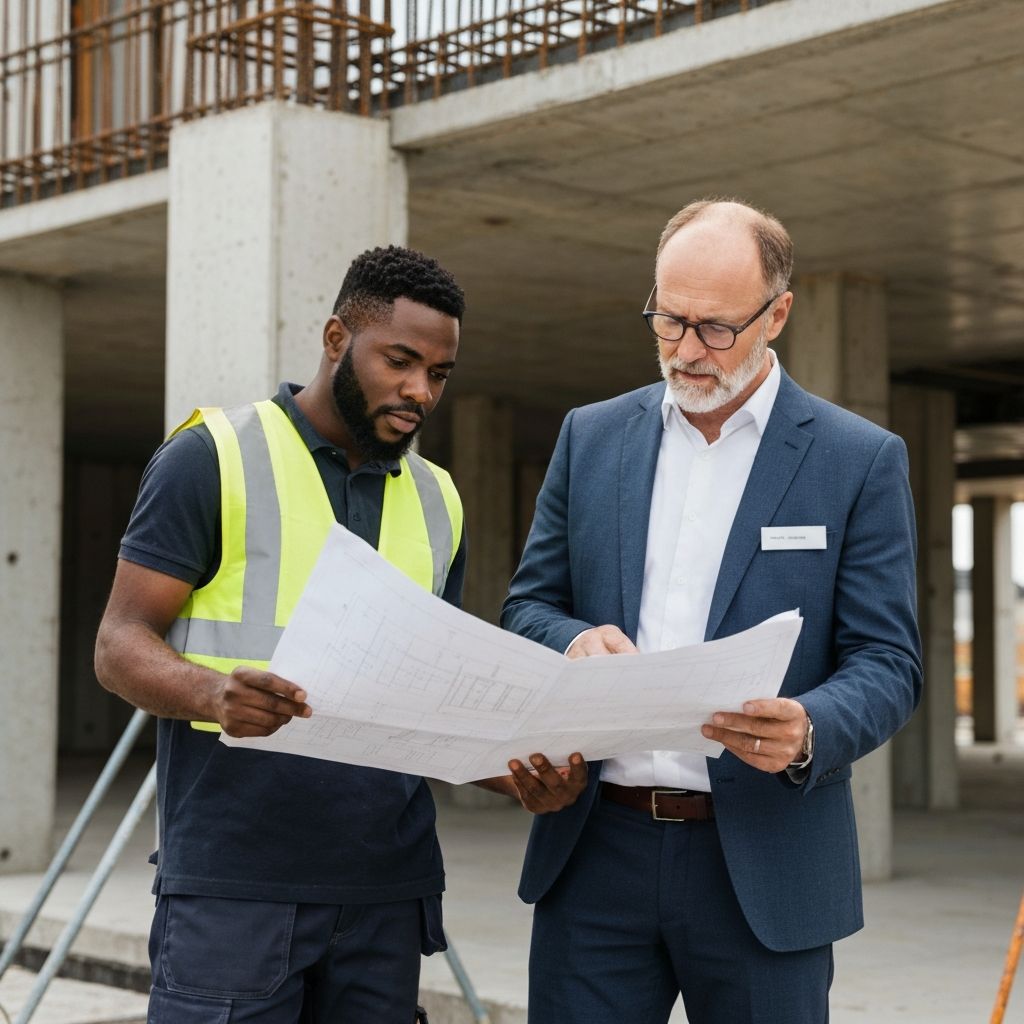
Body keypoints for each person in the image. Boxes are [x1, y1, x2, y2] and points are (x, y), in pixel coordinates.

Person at [501, 199, 923, 1024]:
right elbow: (529, 606)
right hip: (596, 854)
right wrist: (575, 638)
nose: (688, 351)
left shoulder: (858, 459)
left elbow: (890, 661)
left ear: (779, 315)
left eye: (717, 328)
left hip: (768, 863)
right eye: (669, 320)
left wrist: (808, 725)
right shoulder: (590, 437)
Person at [95, 245, 523, 1024]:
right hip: (236, 888)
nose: (419, 391)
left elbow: (426, 699)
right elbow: (119, 644)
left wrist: (514, 771)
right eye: (400, 361)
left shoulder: (441, 502)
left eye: (439, 373)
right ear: (336, 340)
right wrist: (212, 691)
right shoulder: (211, 458)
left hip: (386, 895)